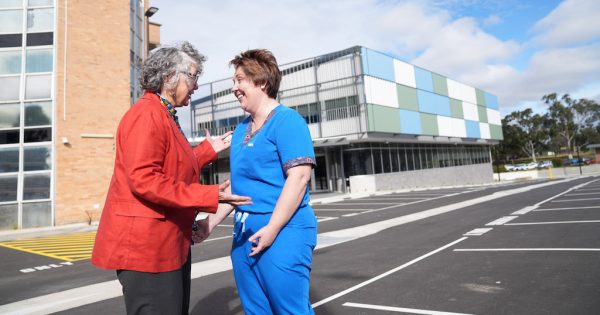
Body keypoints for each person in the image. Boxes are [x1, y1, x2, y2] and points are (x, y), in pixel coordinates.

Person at [91, 41, 251, 315]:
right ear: (168, 78)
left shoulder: (161, 113)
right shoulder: (146, 115)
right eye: (193, 76)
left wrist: (205, 151)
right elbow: (144, 179)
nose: (197, 85)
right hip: (147, 251)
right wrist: (208, 195)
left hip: (164, 246)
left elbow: (170, 165)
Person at [201, 49, 318, 314]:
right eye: (234, 81)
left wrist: (273, 228)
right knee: (256, 311)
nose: (234, 88)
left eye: (240, 80)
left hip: (284, 233)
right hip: (243, 236)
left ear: (262, 82)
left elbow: (299, 178)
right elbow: (237, 185)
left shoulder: (288, 121)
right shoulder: (242, 128)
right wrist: (209, 223)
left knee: (290, 310)